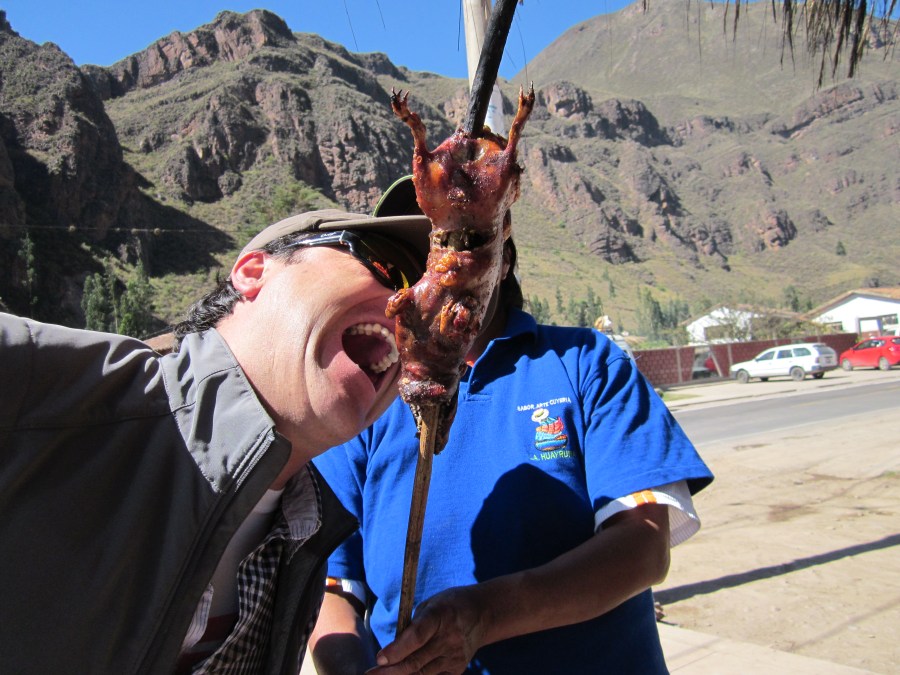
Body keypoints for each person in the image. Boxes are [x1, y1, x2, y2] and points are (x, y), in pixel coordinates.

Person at [307, 178, 715, 674]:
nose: (441, 266)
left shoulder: (586, 362)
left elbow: (642, 546)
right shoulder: (370, 391)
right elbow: (331, 583)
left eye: (466, 241)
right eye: (415, 254)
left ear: (503, 259)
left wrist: (486, 615)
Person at [0, 207, 433, 674]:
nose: (411, 309)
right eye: (387, 268)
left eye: (428, 313)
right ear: (253, 272)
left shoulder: (304, 549)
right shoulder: (46, 389)